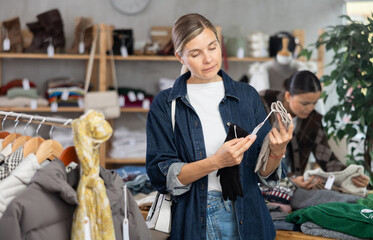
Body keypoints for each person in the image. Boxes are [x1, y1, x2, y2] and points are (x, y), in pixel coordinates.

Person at [146, 13, 293, 240]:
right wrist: (216, 162)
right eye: (195, 53)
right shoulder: (166, 105)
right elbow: (161, 176)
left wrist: (277, 150)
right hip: (196, 219)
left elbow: (264, 174)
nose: (208, 59)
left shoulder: (247, 96)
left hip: (250, 217)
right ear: (180, 57)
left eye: (212, 47)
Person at [259, 70, 370, 189]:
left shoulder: (313, 120)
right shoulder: (263, 103)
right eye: (305, 103)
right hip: (261, 184)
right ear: (288, 96)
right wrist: (289, 181)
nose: (310, 108)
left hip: (296, 187)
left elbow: (327, 159)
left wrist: (351, 176)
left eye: (314, 103)